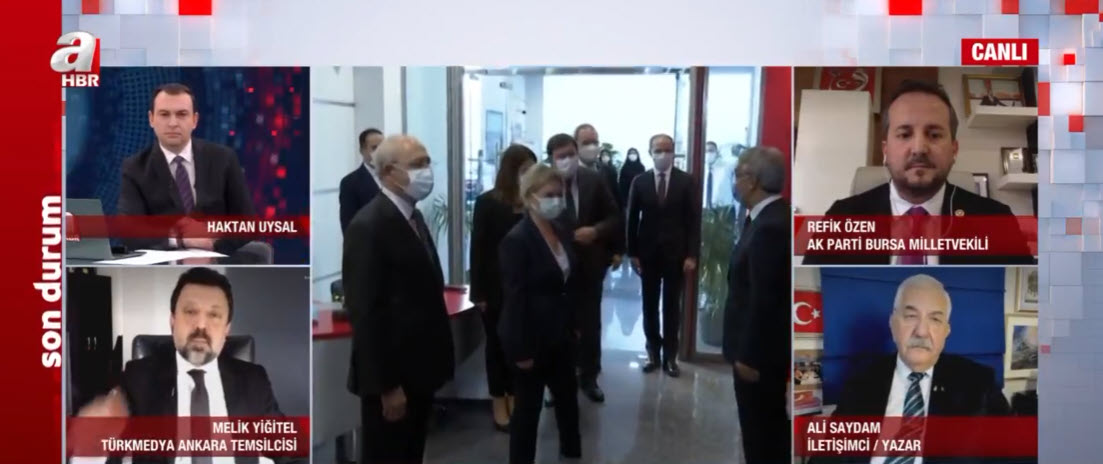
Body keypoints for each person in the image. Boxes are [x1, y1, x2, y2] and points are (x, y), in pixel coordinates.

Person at [73, 267, 305, 464]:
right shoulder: (139, 378)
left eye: (214, 315)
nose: (201, 325)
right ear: (172, 321)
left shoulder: (253, 380)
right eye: (191, 311)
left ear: (227, 329)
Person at [803, 80, 1033, 266]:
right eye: (904, 134)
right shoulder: (842, 218)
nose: (919, 148)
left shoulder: (997, 220)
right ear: (886, 150)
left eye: (934, 135)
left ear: (954, 150)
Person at [342, 135, 455, 464]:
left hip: (420, 371)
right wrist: (387, 386)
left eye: (427, 162)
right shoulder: (369, 225)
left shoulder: (412, 217)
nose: (427, 171)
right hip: (392, 380)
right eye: (418, 164)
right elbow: (366, 313)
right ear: (390, 172)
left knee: (411, 453)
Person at [821, 274, 1011, 464]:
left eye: (935, 319)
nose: (921, 332)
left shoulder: (979, 383)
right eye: (911, 316)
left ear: (946, 331)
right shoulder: (860, 383)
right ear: (892, 323)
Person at [498, 163, 583, 464]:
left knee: (568, 402)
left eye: (559, 194)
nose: (556, 201)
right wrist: (521, 349)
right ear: (530, 196)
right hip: (532, 339)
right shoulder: (517, 240)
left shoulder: (560, 230)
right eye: (549, 195)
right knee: (527, 412)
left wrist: (575, 324)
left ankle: (571, 454)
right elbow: (514, 299)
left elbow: (569, 282)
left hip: (562, 335)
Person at [117, 83, 256, 258]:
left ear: (194, 120)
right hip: (163, 267)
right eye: (164, 114)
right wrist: (180, 239)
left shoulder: (223, 159)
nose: (173, 123)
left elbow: (248, 224)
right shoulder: (135, 168)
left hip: (219, 260)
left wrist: (212, 242)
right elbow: (129, 231)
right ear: (151, 119)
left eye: (181, 114)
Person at [722, 146, 791, 464]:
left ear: (751, 180)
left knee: (761, 433)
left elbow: (765, 298)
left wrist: (749, 356)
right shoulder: (767, 217)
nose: (734, 182)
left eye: (737, 174)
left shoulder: (771, 227)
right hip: (761, 352)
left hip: (759, 357)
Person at [547, 133, 621, 403]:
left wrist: (596, 231)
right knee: (557, 326)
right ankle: (556, 383)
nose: (567, 160)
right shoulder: (545, 184)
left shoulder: (594, 180)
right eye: (561, 156)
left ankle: (589, 378)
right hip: (556, 268)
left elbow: (615, 216)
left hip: (590, 265)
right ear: (551, 159)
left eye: (571, 154)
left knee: (590, 324)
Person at [469, 144, 538, 431]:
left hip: (527, 289)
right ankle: (498, 400)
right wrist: (479, 293)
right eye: (524, 170)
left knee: (522, 345)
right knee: (497, 347)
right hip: (496, 290)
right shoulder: (488, 202)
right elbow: (478, 250)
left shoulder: (535, 201)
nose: (529, 175)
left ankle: (515, 396)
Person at [626, 134, 700, 377]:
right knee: (649, 305)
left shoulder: (686, 181)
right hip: (647, 254)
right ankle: (652, 353)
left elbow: (693, 221)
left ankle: (670, 356)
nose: (663, 154)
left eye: (667, 150)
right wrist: (632, 253)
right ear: (650, 152)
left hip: (676, 255)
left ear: (673, 152)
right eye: (658, 150)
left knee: (671, 307)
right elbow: (631, 219)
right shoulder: (640, 182)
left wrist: (691, 254)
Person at [339, 128, 384, 232]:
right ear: (362, 150)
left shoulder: (394, 175)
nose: (380, 152)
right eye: (374, 148)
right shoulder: (350, 183)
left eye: (383, 148)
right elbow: (348, 225)